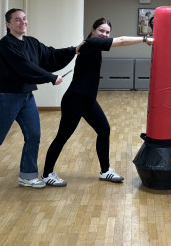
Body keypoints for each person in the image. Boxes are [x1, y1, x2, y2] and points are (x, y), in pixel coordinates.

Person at [0, 8, 82, 195]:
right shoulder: (6, 44)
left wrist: (74, 50)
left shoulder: (31, 43)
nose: (22, 22)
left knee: (34, 135)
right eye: (17, 20)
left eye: (24, 19)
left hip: (26, 96)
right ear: (8, 24)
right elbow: (24, 66)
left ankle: (28, 175)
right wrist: (50, 77)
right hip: (6, 97)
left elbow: (50, 55)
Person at [41, 18, 153, 186]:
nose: (104, 34)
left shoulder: (94, 45)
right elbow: (121, 41)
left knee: (104, 129)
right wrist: (145, 39)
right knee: (63, 137)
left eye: (107, 32)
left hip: (88, 99)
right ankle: (46, 174)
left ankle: (105, 170)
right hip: (75, 99)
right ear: (93, 30)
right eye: (101, 30)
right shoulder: (91, 42)